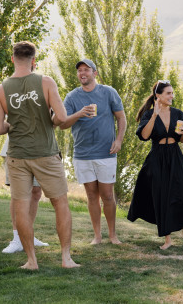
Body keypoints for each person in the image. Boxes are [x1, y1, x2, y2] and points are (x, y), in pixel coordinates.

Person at [0, 41, 79, 269]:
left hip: (17, 156)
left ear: (13, 59)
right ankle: (66, 258)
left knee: (21, 206)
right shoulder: (46, 82)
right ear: (33, 60)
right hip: (45, 153)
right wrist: (50, 118)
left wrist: (12, 124)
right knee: (60, 203)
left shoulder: (0, 90)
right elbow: (61, 118)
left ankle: (31, 261)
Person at [127, 80, 183, 250]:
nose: (171, 96)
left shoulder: (178, 113)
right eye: (168, 93)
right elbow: (145, 136)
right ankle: (167, 238)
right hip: (157, 157)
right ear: (158, 95)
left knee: (182, 190)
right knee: (162, 194)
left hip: (175, 155)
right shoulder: (149, 114)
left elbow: (182, 140)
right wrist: (154, 115)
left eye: (172, 93)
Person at [60, 59, 126, 245]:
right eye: (79, 70)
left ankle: (112, 235)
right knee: (91, 196)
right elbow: (63, 124)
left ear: (94, 73)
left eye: (86, 70)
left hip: (106, 153)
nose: (82, 73)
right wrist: (79, 114)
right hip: (83, 155)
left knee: (107, 195)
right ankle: (97, 236)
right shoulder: (72, 97)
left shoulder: (108, 92)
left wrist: (119, 140)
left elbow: (121, 118)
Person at [0, 136, 49, 253]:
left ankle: (28, 235)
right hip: (17, 150)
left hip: (39, 151)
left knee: (36, 192)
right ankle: (17, 238)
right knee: (17, 193)